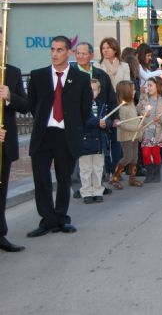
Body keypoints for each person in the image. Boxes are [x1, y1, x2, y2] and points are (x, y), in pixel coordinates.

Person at [26, 36, 93, 237]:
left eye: (60, 50)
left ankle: (62, 217)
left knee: (64, 179)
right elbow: (32, 106)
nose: (55, 54)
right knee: (41, 179)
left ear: (69, 53)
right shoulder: (38, 76)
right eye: (53, 49)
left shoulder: (80, 78)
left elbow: (85, 109)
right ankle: (47, 220)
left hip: (66, 135)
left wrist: (72, 126)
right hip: (43, 135)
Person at [0, 59, 29, 252]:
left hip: (4, 143)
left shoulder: (12, 72)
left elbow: (25, 105)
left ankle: (0, 234)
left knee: (1, 191)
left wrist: (9, 96)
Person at [93, 38, 130, 179]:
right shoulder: (97, 65)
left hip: (120, 105)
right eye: (103, 48)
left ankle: (116, 169)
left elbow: (127, 85)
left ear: (115, 49)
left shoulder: (124, 66)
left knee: (116, 140)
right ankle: (105, 170)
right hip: (104, 106)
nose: (105, 50)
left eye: (108, 47)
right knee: (103, 141)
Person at [78, 79, 112, 204]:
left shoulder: (102, 105)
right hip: (85, 142)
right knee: (85, 169)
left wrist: (106, 124)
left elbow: (108, 120)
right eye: (89, 90)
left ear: (98, 91)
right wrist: (98, 122)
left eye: (94, 90)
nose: (91, 92)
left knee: (97, 169)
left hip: (99, 143)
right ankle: (86, 192)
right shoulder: (81, 106)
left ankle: (97, 190)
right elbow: (83, 121)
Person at [136, 77, 162, 183]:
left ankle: (156, 173)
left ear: (157, 86)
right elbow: (138, 109)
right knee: (145, 153)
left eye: (150, 85)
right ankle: (149, 173)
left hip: (159, 130)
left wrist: (161, 118)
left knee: (156, 153)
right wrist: (143, 111)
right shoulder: (144, 98)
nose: (148, 88)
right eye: (147, 85)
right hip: (147, 130)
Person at [112, 81, 144, 188]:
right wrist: (136, 128)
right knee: (127, 157)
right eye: (132, 90)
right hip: (125, 136)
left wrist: (140, 133)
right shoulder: (121, 107)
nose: (134, 91)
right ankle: (115, 177)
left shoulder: (131, 103)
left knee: (134, 157)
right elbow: (121, 125)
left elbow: (136, 121)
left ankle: (132, 178)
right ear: (126, 92)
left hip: (134, 136)